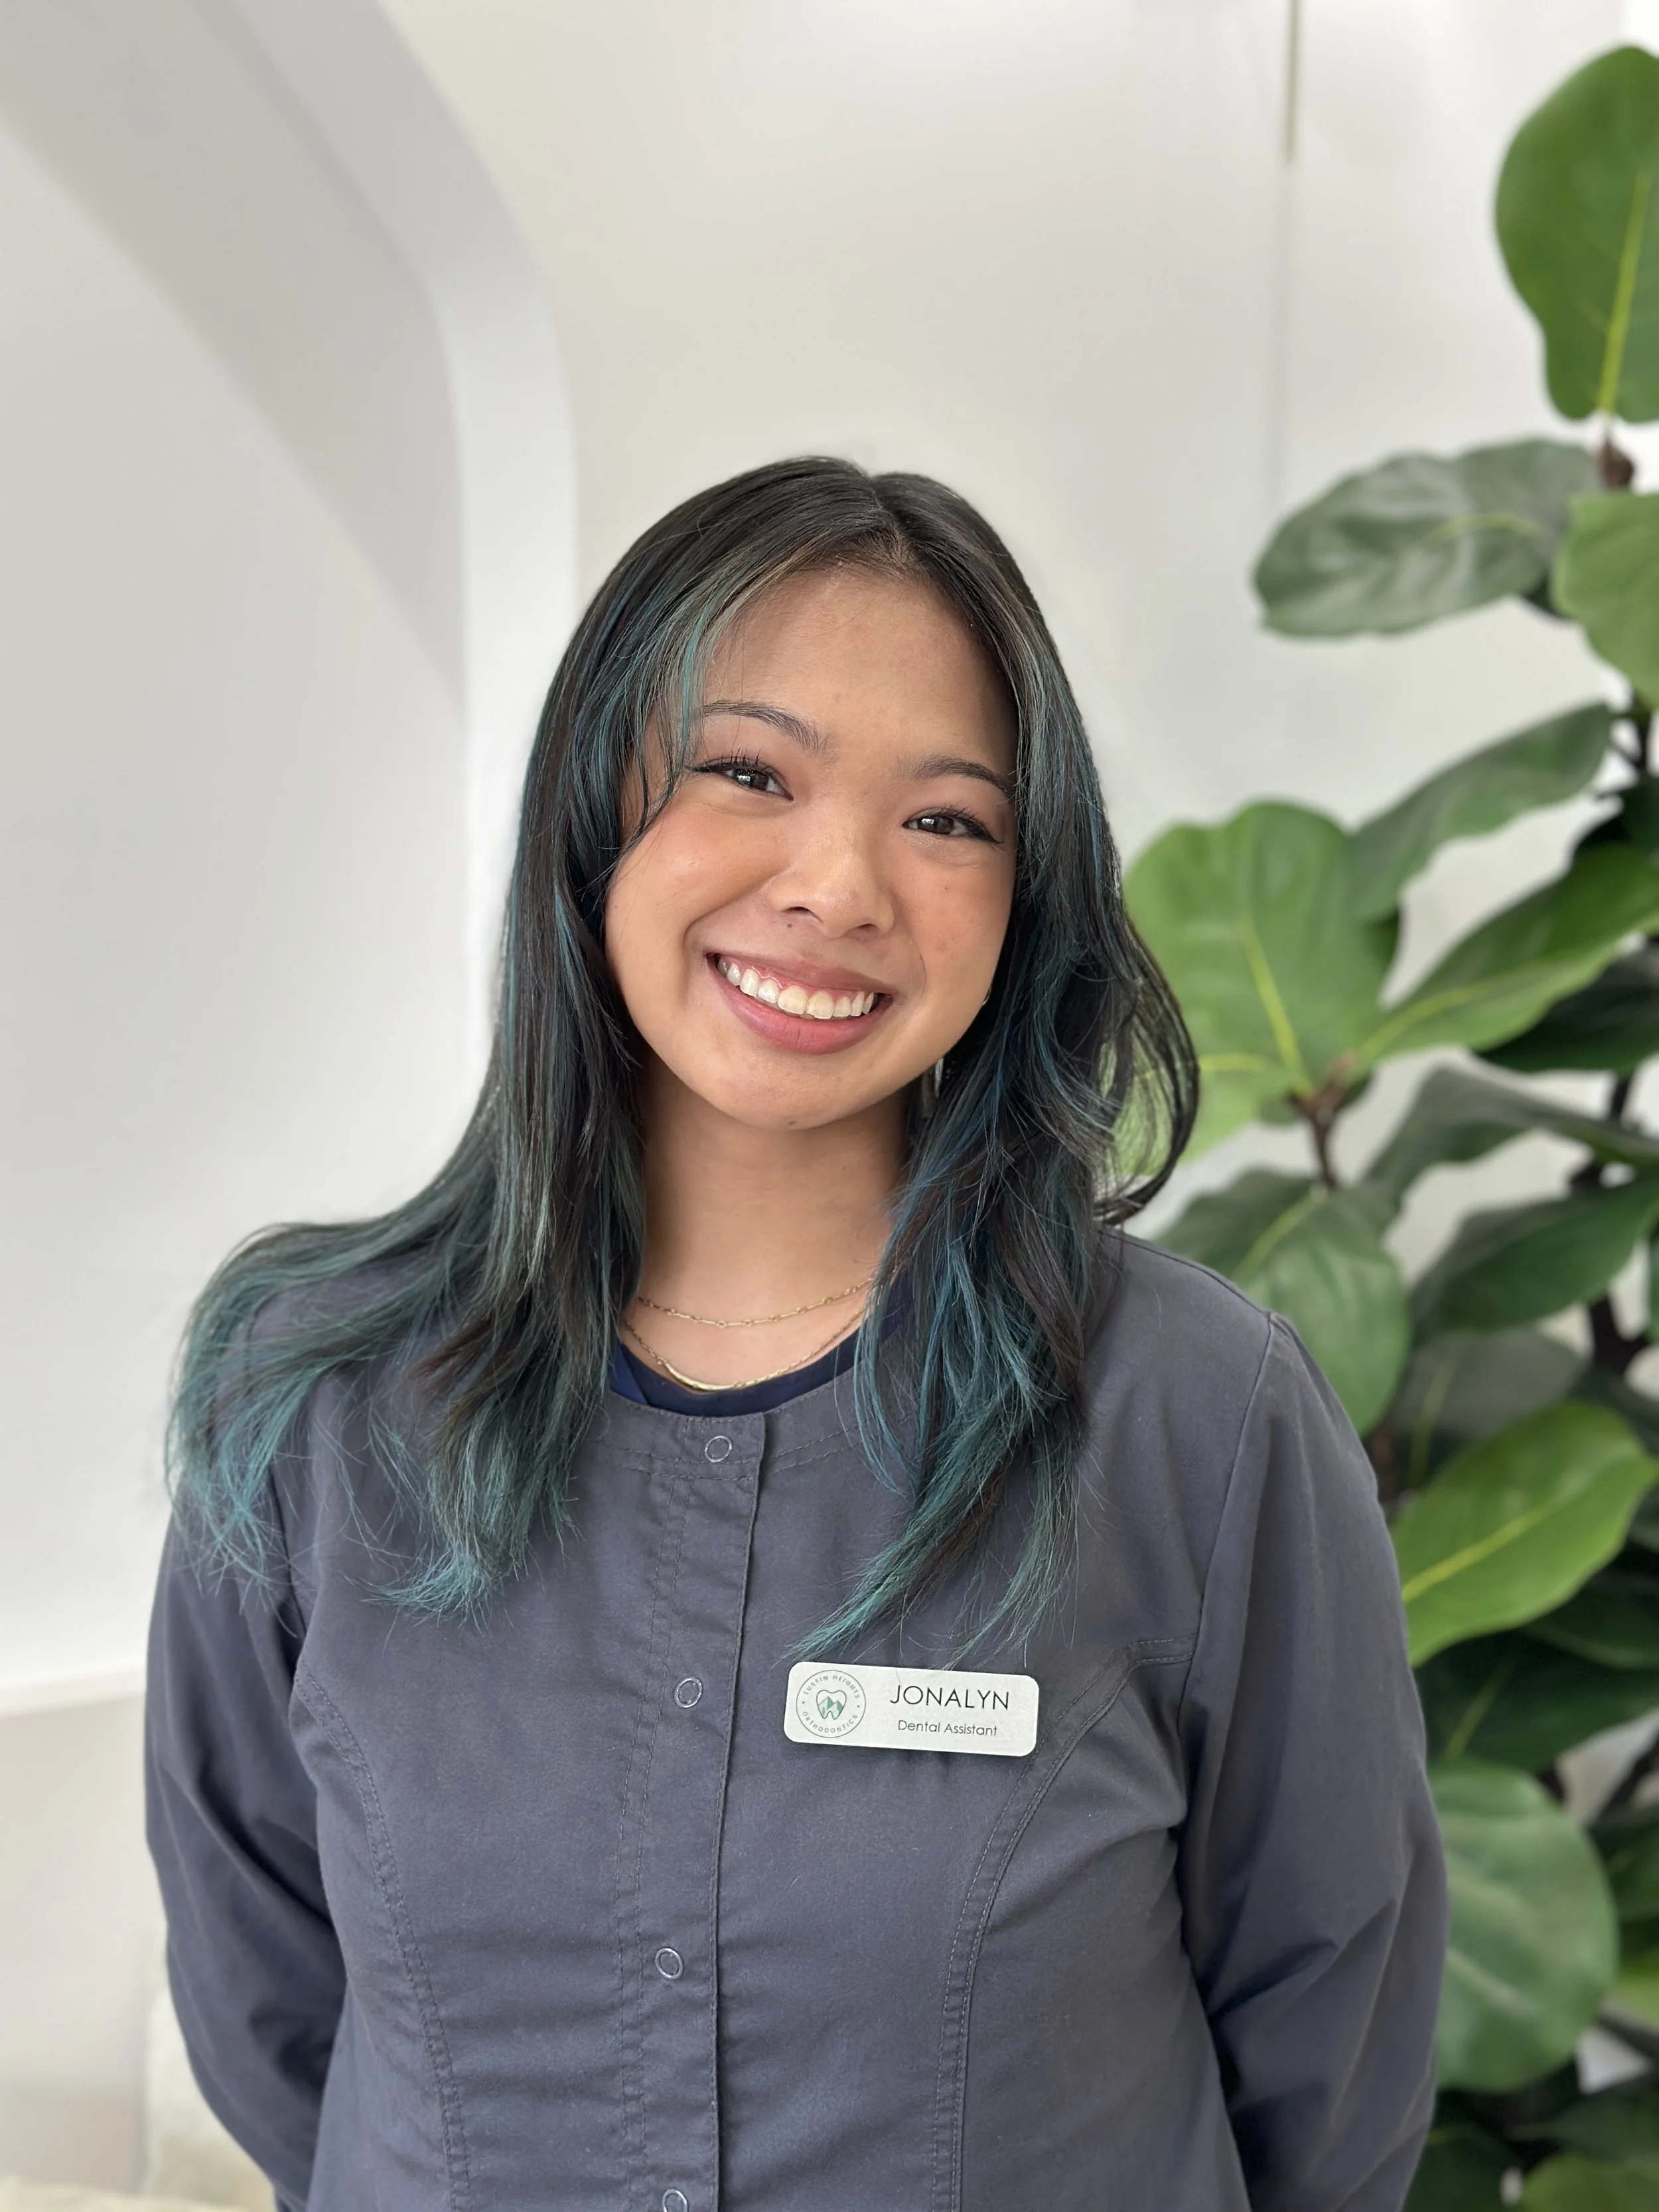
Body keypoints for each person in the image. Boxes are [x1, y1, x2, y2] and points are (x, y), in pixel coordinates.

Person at [145, 457, 1446, 2212]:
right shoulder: (312, 1407)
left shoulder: (1195, 1422)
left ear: (1025, 888)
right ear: (600, 810)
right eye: (748, 772)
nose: (837, 885)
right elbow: (271, 2009)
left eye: (946, 819)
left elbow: (1328, 2061)